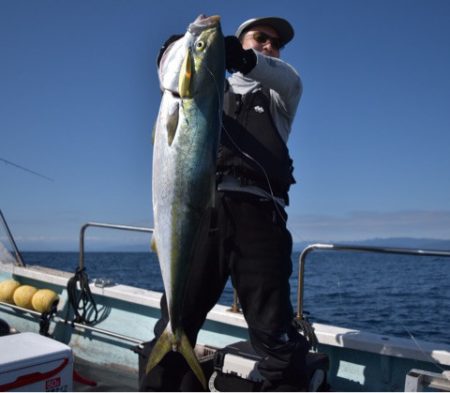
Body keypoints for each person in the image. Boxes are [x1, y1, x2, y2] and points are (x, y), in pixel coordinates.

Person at [140, 16, 309, 392]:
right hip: (202, 214)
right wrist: (180, 48)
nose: (268, 45)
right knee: (175, 320)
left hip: (260, 219)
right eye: (259, 38)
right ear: (238, 40)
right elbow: (169, 69)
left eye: (275, 43)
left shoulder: (281, 96)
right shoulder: (207, 88)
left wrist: (247, 58)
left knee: (276, 338)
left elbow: (288, 78)